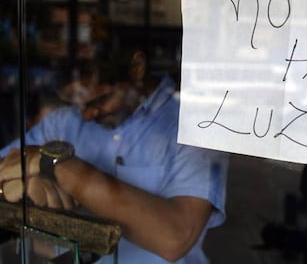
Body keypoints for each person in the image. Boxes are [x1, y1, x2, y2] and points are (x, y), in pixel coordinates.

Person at [0, 50, 229, 263]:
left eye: (99, 101)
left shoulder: (195, 127)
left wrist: (57, 166)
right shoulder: (63, 123)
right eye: (78, 105)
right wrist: (26, 182)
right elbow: (6, 167)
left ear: (137, 68)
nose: (88, 115)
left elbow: (175, 238)